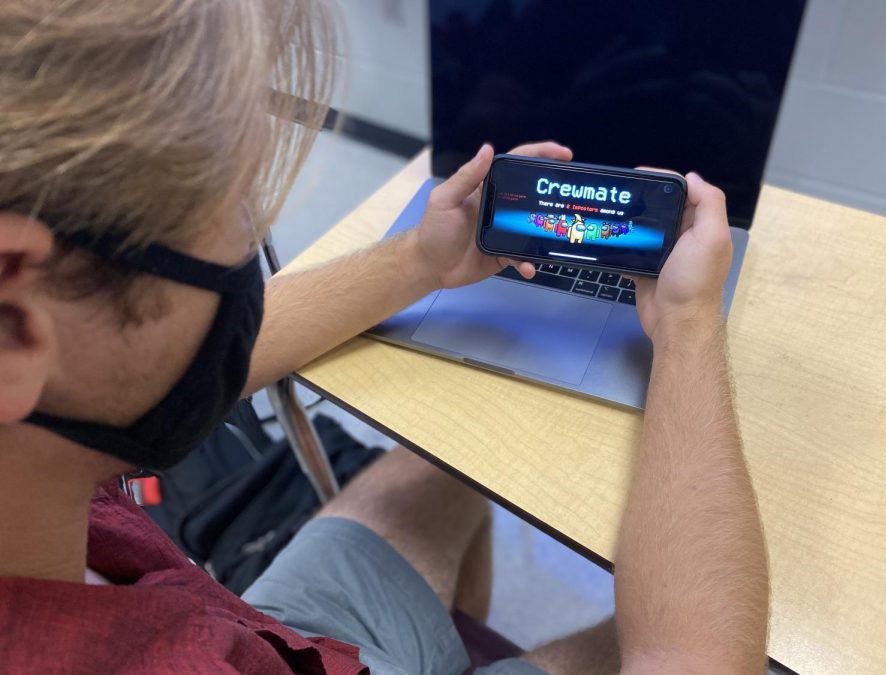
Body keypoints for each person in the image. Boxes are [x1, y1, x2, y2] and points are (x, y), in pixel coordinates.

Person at [0, 1, 769, 674]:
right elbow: (688, 661)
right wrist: (688, 327)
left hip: (248, 628)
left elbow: (141, 357)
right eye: (235, 216)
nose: (251, 255)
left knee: (447, 461)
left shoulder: (31, 434)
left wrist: (418, 259)